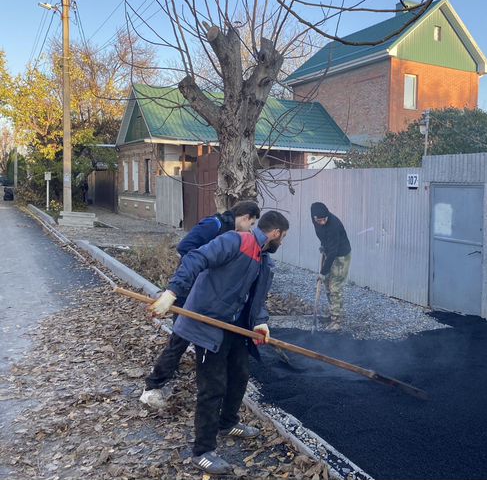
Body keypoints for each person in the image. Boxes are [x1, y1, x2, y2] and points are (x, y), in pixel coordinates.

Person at [151, 210, 289, 475]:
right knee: (212, 388)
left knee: (240, 375)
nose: (282, 242)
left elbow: (256, 298)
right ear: (276, 234)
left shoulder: (264, 260)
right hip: (209, 325)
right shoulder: (235, 241)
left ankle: (228, 423)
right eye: (283, 238)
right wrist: (172, 292)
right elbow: (196, 257)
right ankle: (202, 451)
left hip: (235, 328)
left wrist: (260, 321)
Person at [139, 200, 261, 409]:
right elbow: (186, 248)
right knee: (180, 339)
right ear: (246, 217)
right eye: (251, 225)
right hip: (188, 291)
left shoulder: (230, 231)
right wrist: (189, 281)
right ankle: (152, 387)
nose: (250, 230)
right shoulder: (213, 225)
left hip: (202, 293)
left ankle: (195, 380)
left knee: (196, 340)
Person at [310, 202, 351, 331]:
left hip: (340, 256)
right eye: (319, 220)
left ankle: (337, 321)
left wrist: (322, 272)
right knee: (327, 285)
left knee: (335, 287)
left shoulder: (333, 225)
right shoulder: (315, 219)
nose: (322, 222)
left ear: (327, 216)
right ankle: (332, 313)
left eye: (324, 220)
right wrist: (323, 244)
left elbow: (334, 251)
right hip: (329, 252)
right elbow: (323, 234)